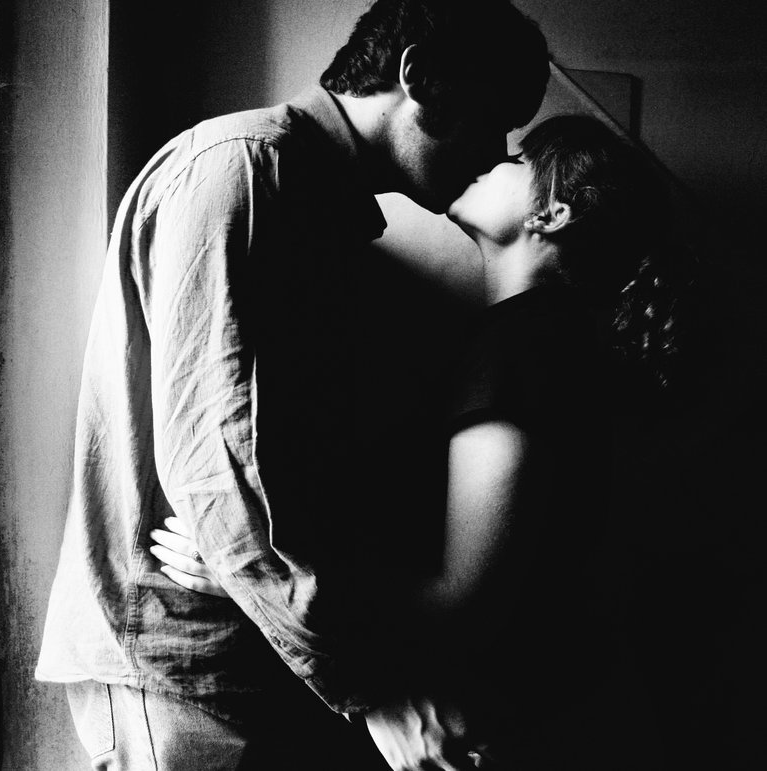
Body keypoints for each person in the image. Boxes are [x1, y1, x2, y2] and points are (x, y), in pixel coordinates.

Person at [35, 0, 550, 769]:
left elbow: (277, 473)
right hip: (181, 675)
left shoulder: (311, 201)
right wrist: (374, 691)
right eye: (492, 117)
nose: (495, 151)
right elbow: (219, 469)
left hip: (235, 662)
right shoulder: (245, 174)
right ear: (420, 77)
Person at [151, 113, 688, 769]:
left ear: (551, 214)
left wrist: (255, 577)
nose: (492, 156)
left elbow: (464, 600)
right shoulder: (537, 341)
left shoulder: (524, 346)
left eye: (516, 159)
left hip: (493, 731)